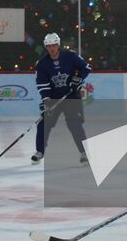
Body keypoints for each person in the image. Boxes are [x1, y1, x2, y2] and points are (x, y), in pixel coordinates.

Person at [32, 32, 90, 164]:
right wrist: (46, 101)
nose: (51, 48)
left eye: (54, 45)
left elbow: (86, 67)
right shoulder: (42, 64)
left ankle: (83, 152)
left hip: (71, 96)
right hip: (53, 99)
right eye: (48, 46)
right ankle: (40, 151)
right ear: (46, 47)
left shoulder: (71, 56)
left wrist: (79, 78)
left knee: (74, 124)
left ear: (58, 45)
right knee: (43, 123)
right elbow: (42, 84)